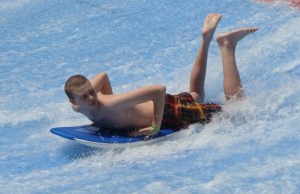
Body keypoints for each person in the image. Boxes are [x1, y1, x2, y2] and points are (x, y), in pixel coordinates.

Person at [64, 14, 258, 137]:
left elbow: (158, 90)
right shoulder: (78, 108)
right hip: (166, 106)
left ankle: (227, 46)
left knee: (238, 110)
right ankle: (206, 38)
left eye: (92, 91)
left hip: (169, 113)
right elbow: (103, 76)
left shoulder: (110, 103)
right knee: (196, 94)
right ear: (73, 102)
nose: (91, 97)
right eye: (84, 96)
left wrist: (155, 127)